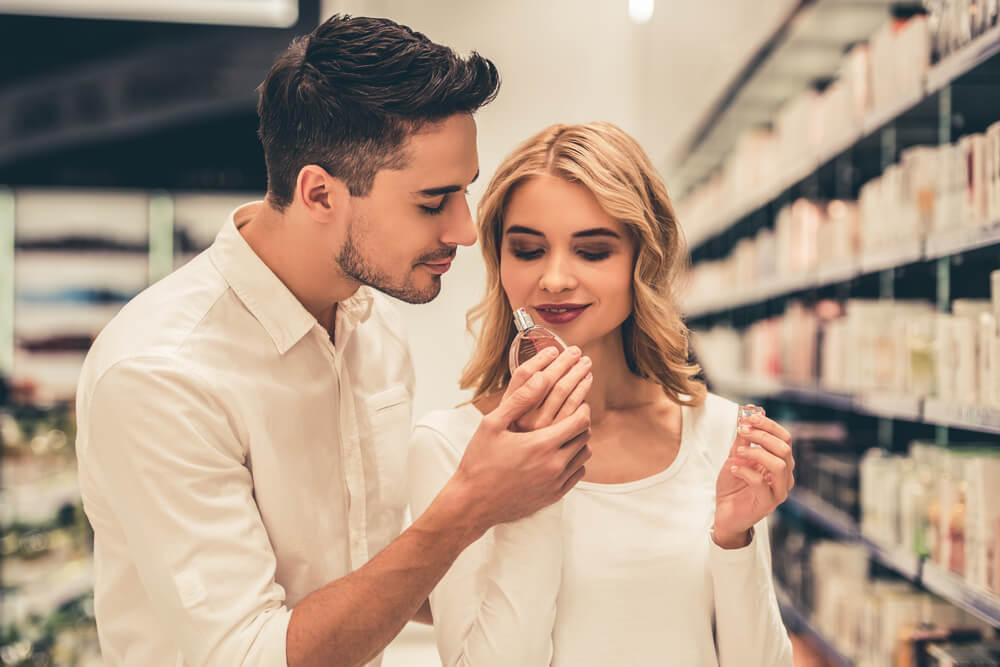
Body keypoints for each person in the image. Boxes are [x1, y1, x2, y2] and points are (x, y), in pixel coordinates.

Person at [74, 15, 593, 667]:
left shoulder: (373, 325)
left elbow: (367, 566)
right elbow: (251, 655)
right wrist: (470, 503)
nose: (465, 230)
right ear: (319, 192)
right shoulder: (159, 374)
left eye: (465, 192)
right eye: (433, 202)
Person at [408, 122, 796, 666]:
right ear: (500, 262)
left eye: (592, 252)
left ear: (645, 258)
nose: (556, 278)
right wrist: (529, 494)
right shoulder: (450, 448)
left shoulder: (720, 433)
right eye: (528, 250)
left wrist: (736, 540)